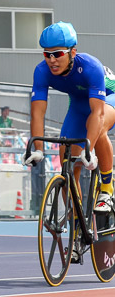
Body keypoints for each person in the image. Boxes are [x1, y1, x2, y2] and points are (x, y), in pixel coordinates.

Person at [25, 22, 115, 218]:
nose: (52, 60)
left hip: (108, 99)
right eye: (47, 54)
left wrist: (88, 150)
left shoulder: (91, 67)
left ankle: (107, 188)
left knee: (97, 130)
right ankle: (77, 225)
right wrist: (38, 148)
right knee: (66, 158)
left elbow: (98, 114)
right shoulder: (42, 72)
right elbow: (37, 113)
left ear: (72, 52)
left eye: (57, 54)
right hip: (78, 104)